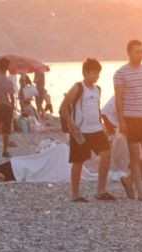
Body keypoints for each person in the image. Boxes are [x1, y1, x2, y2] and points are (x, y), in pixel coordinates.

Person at [60, 58, 114, 203]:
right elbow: (63, 107)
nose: (96, 76)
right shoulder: (78, 87)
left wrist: (103, 125)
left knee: (107, 155)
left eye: (98, 73)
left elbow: (96, 108)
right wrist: (71, 124)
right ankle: (75, 194)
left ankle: (100, 191)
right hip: (80, 131)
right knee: (79, 162)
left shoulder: (98, 89)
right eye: (94, 73)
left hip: (97, 130)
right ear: (85, 73)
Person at [113, 40, 142, 201]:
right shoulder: (121, 73)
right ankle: (141, 192)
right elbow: (118, 99)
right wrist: (121, 121)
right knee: (135, 157)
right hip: (131, 118)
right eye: (137, 52)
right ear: (129, 53)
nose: (140, 55)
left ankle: (128, 179)